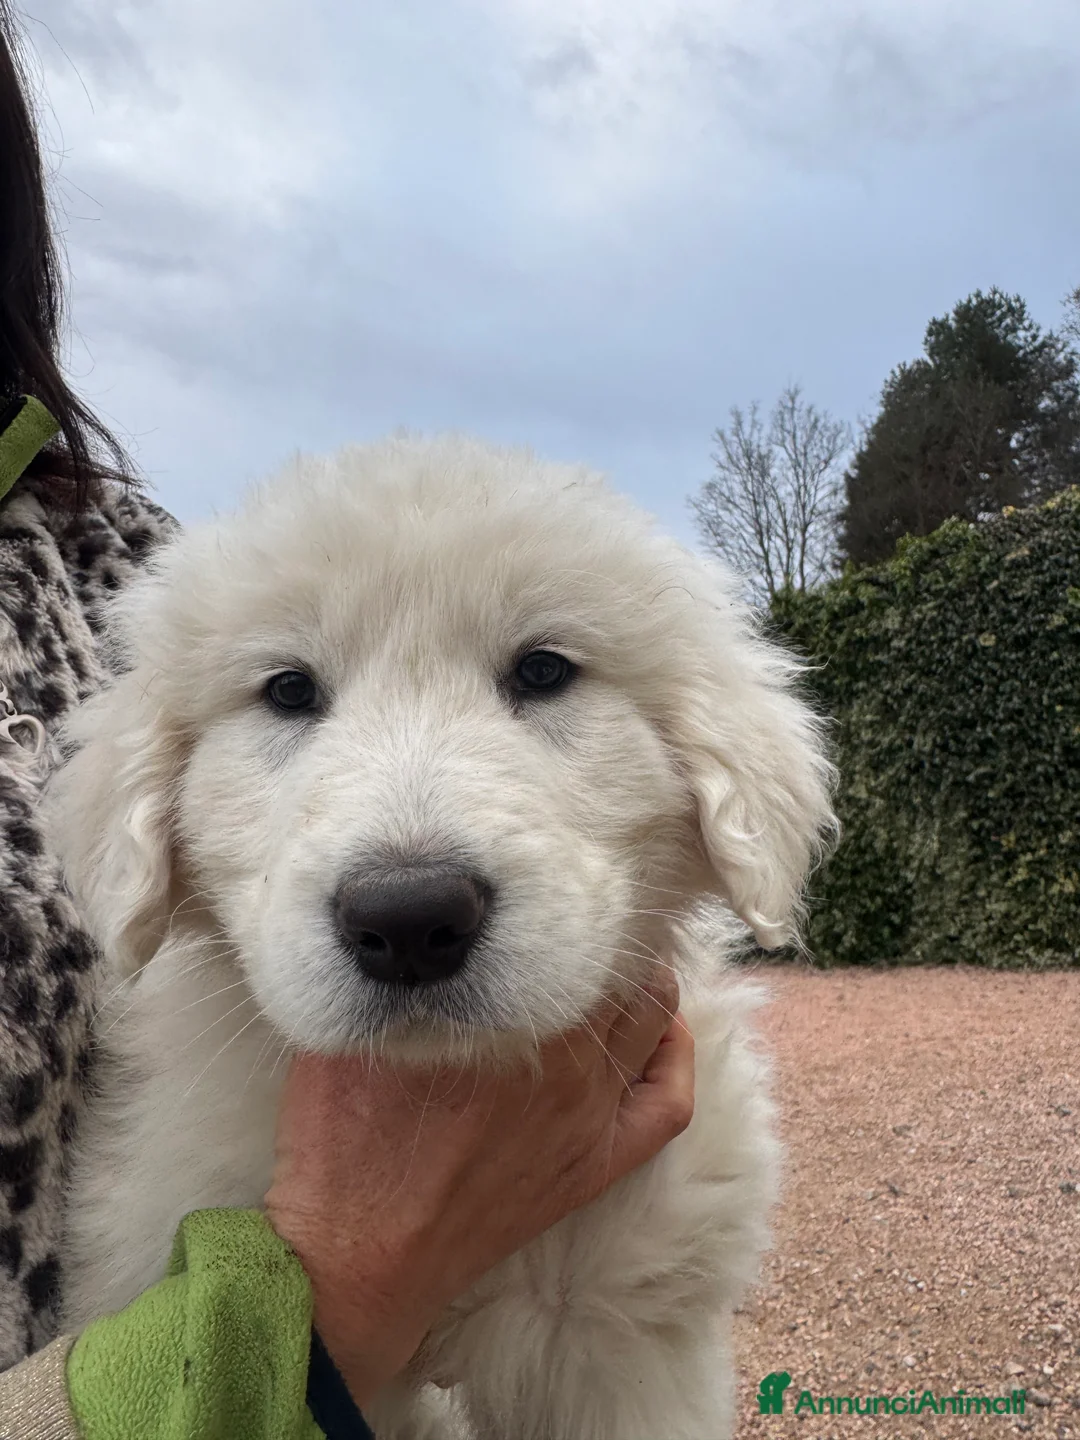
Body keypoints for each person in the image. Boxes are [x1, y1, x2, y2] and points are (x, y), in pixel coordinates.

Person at [0, 5, 697, 1435]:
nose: (409, 852)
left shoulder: (105, 547)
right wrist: (333, 1283)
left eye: (542, 672)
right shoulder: (167, 628)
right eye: (294, 695)